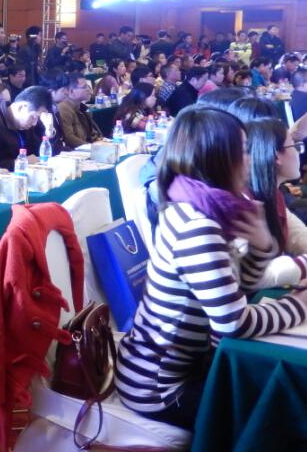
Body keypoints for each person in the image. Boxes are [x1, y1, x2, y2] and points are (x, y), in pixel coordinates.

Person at [115, 108, 307, 429]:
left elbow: (239, 290)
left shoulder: (205, 206)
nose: (250, 159)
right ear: (218, 158)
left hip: (184, 368)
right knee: (281, 415)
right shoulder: (198, 226)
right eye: (243, 150)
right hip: (161, 388)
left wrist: (261, 246)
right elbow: (233, 323)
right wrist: (299, 306)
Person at [243, 119, 307, 289]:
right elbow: (253, 278)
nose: (299, 153)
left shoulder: (274, 194)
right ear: (277, 156)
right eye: (295, 146)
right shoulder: (245, 205)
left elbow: (298, 236)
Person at [0, 86, 51, 170]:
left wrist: (49, 129)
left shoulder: (26, 122)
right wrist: (22, 162)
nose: (35, 123)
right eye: (34, 117)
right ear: (21, 107)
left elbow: (41, 152)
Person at [57, 74, 103, 148]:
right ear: (71, 91)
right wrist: (90, 147)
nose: (89, 90)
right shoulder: (64, 108)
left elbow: (91, 133)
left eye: (88, 86)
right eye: (84, 87)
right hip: (78, 151)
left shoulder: (80, 106)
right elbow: (68, 137)